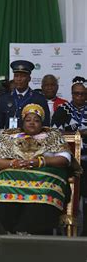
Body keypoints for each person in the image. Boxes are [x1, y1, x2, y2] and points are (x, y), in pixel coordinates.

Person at [0, 104, 76, 235]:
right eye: (28, 120)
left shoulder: (53, 135)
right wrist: (13, 163)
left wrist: (40, 161)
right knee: (2, 182)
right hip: (14, 174)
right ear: (22, 122)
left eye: (36, 120)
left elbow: (65, 159)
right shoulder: (10, 136)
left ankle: (34, 231)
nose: (32, 123)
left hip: (44, 175)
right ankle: (6, 230)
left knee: (45, 189)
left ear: (42, 123)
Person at [51, 76, 87, 235]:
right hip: (68, 161)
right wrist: (79, 134)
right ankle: (61, 231)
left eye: (82, 94)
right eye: (76, 94)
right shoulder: (63, 110)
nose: (79, 97)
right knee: (66, 196)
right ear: (71, 94)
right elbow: (54, 133)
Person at [0, 60, 50, 150]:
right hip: (9, 146)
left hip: (30, 146)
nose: (19, 79)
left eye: (23, 76)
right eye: (16, 76)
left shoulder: (39, 99)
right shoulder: (4, 99)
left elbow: (45, 127)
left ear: (29, 78)